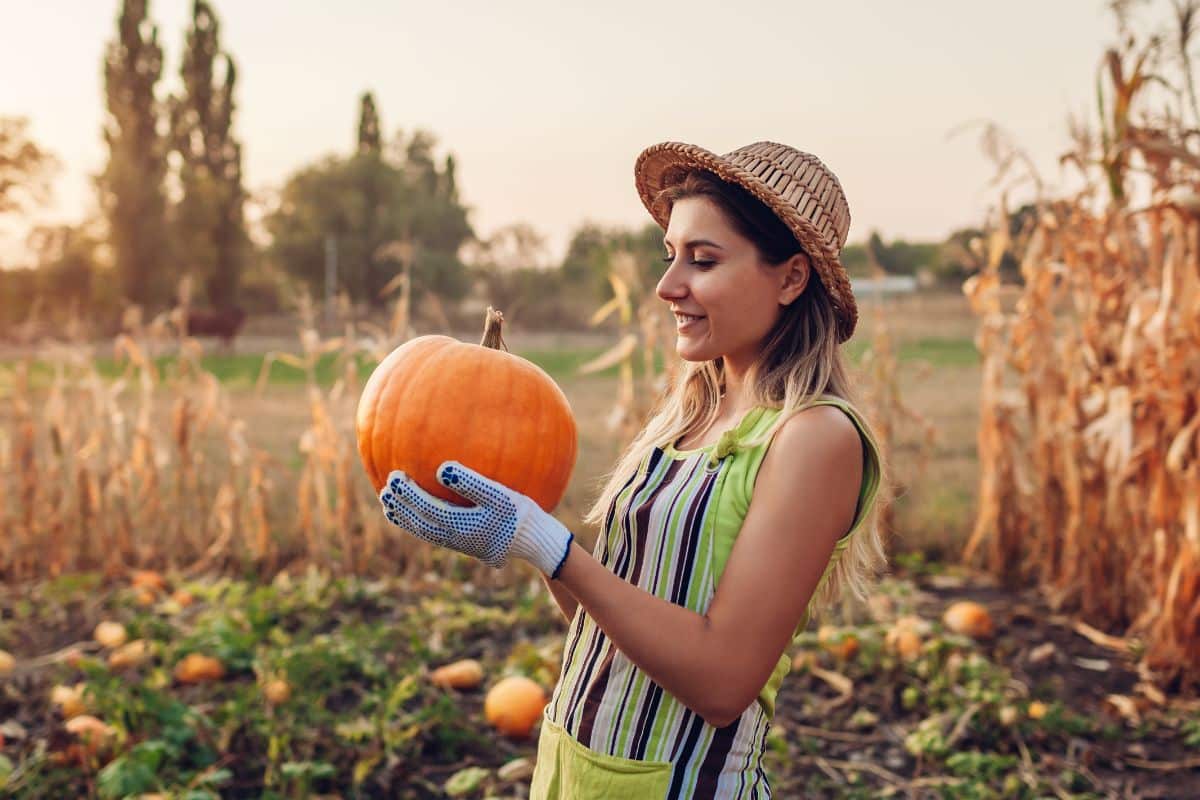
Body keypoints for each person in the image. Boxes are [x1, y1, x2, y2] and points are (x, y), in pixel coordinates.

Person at [379, 140, 887, 799]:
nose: (667, 285)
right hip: (572, 773)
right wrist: (526, 541)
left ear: (790, 279)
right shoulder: (684, 419)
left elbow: (723, 682)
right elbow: (614, 625)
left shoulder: (814, 438)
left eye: (702, 260)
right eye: (670, 254)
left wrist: (555, 549)